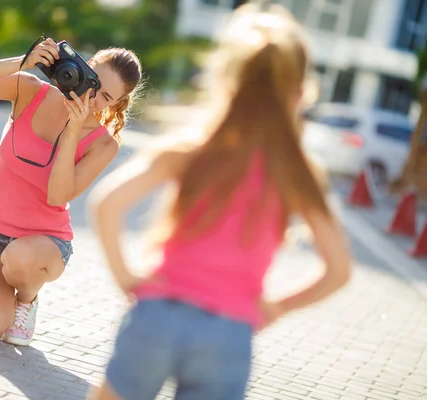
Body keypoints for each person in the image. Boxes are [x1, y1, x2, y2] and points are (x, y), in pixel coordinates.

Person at [87, 4, 352, 400]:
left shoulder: (192, 148)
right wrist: (278, 307)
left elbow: (107, 204)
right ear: (300, 95)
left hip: (159, 313)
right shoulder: (298, 173)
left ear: (225, 80)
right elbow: (338, 269)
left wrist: (127, 277)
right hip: (229, 332)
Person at [0, 38, 143, 346]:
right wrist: (23, 61)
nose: (91, 98)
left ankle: (27, 298)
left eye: (104, 97)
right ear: (83, 67)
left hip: (44, 244)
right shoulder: (29, 91)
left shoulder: (103, 144)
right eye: (93, 83)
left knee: (20, 257)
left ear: (115, 104)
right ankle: (7, 290)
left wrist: (72, 131)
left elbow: (57, 196)